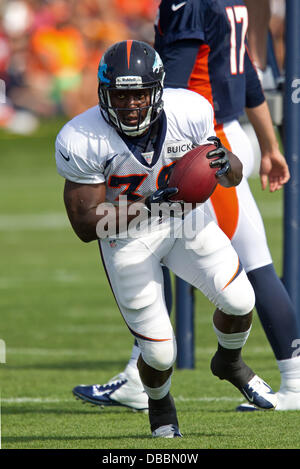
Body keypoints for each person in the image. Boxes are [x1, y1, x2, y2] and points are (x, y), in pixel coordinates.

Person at [73, 0, 300, 413]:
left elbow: (167, 88)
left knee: (179, 249)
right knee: (249, 259)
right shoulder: (228, 1)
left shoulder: (187, 5)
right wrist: (267, 143)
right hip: (219, 130)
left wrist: (148, 148)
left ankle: (143, 380)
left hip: (193, 138)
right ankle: (292, 377)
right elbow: (248, 71)